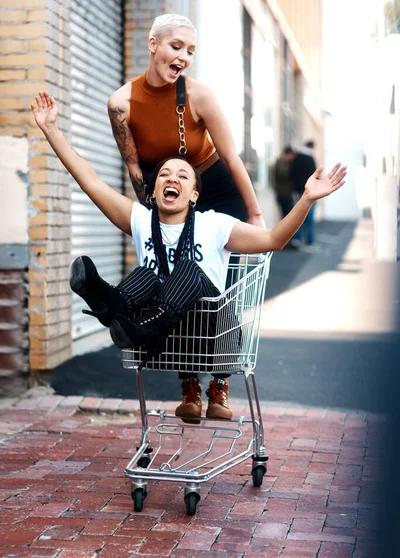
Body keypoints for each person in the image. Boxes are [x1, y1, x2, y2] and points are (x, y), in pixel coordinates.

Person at [30, 91, 346, 423]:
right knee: (148, 275)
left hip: (213, 332)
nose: (172, 179)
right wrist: (50, 129)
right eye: (165, 174)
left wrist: (308, 199)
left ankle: (195, 372)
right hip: (170, 337)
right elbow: (90, 182)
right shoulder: (140, 220)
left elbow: (273, 240)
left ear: (194, 194)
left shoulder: (216, 225)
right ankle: (112, 302)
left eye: (183, 176)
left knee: (186, 270)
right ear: (153, 190)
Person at [107, 13, 265, 227]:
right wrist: (152, 215)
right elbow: (134, 169)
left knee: (226, 261)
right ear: (153, 44)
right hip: (169, 197)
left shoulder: (199, 95)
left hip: (217, 189)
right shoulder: (120, 104)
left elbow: (231, 158)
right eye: (176, 47)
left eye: (190, 51)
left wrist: (255, 214)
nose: (184, 57)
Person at [291, 140, 318, 248]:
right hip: (310, 191)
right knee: (310, 217)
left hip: (298, 192)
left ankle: (296, 239)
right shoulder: (310, 159)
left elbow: (291, 174)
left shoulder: (296, 158)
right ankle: (310, 242)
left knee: (298, 215)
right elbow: (315, 176)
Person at [270, 145, 296, 220]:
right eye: (291, 156)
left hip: (287, 192)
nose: (292, 158)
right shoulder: (280, 162)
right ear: (287, 154)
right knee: (285, 215)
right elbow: (283, 174)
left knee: (288, 214)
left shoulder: (287, 162)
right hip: (282, 193)